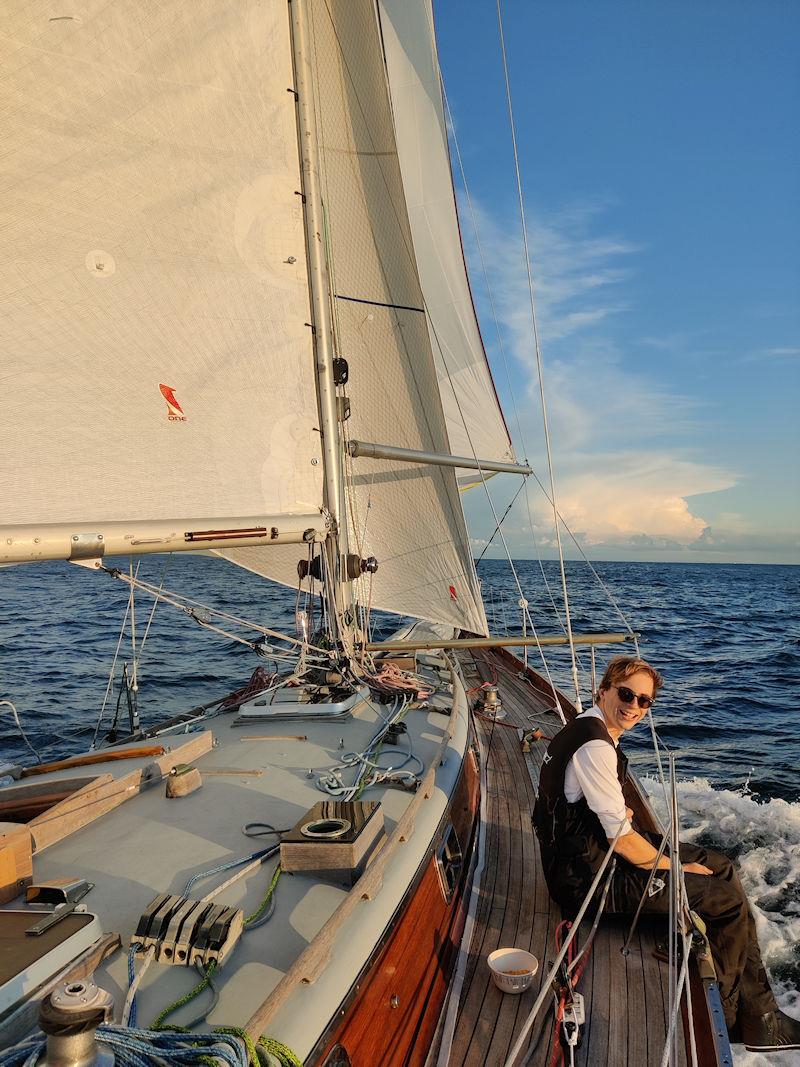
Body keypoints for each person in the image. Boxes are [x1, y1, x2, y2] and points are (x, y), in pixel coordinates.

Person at [532, 655, 800, 1054]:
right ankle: (732, 1021)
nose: (634, 707)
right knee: (724, 902)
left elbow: (593, 815)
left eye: (644, 701)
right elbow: (622, 841)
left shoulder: (586, 727)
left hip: (587, 854)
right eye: (626, 694)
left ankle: (761, 1014)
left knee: (722, 867)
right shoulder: (596, 748)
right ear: (603, 690)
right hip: (583, 881)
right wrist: (675, 866)